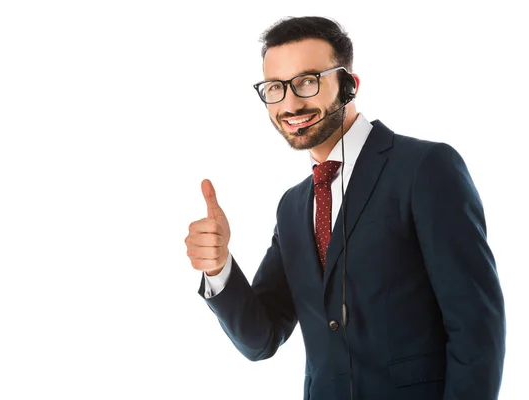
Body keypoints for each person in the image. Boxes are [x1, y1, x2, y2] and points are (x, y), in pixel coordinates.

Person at [184, 16, 506, 400]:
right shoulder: (293, 207)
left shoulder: (425, 168)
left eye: (307, 81)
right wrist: (219, 269)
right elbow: (262, 338)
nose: (290, 102)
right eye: (275, 87)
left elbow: (476, 328)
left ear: (350, 85)